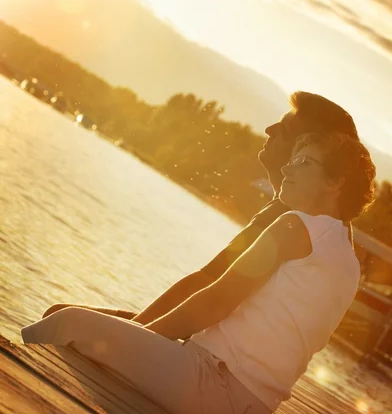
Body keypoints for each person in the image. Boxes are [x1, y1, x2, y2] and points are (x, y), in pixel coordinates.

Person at [21, 117, 376, 414]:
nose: (287, 167)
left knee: (68, 322)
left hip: (213, 385)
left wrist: (139, 336)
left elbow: (216, 300)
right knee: (75, 318)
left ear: (335, 181)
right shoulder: (347, 261)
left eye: (303, 162)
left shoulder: (295, 226)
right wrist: (132, 336)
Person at [41, 91, 360, 323]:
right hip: (212, 352)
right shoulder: (330, 227)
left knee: (62, 318)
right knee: (71, 317)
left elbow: (203, 283)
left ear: (305, 148)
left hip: (207, 358)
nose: (269, 131)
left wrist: (134, 331)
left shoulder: (291, 219)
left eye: (284, 129)